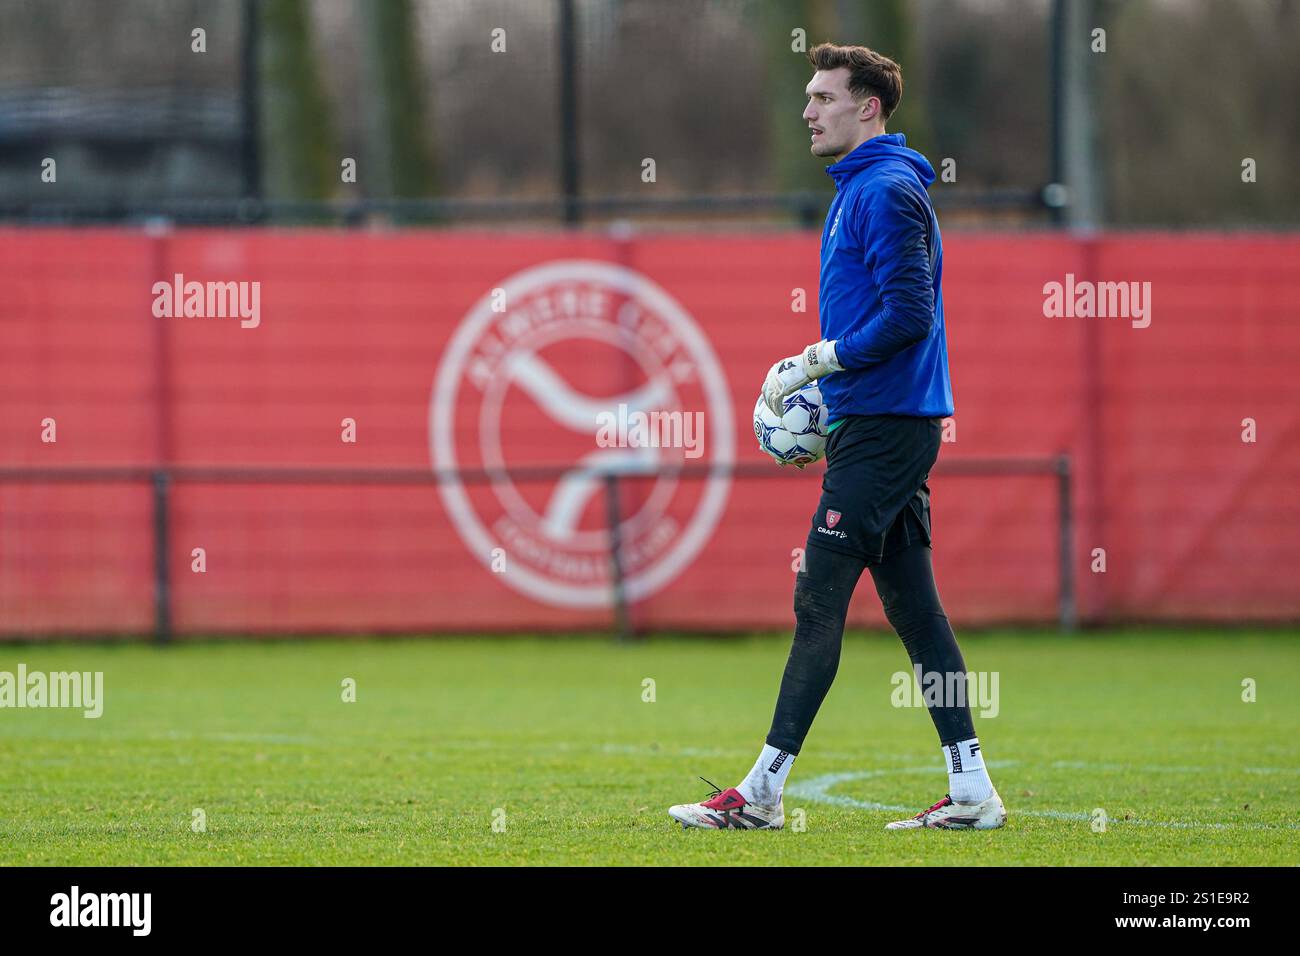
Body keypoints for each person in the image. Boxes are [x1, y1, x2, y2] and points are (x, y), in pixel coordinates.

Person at [669, 42, 1005, 831]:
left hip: (887, 430)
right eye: (809, 97)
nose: (808, 110)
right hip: (881, 424)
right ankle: (972, 790)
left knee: (816, 601)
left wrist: (819, 360)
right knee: (917, 613)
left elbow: (910, 314)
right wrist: (834, 383)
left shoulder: (886, 190)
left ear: (868, 108)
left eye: (823, 97)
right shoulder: (863, 187)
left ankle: (759, 795)